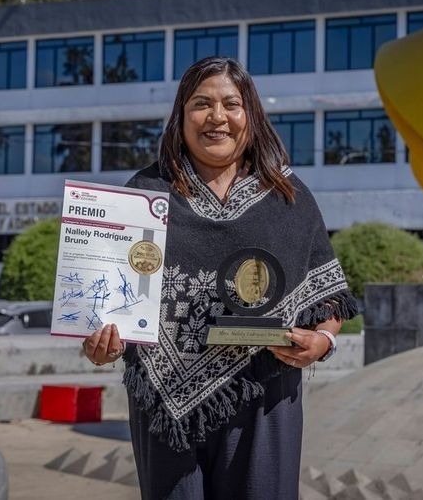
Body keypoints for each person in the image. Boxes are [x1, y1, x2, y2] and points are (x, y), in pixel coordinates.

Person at [82, 56, 359, 500]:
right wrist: (100, 342)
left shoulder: (287, 196)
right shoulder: (144, 195)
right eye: (201, 104)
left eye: (231, 103)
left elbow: (329, 302)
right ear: (181, 115)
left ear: (250, 114)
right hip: (163, 406)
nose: (217, 118)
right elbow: (103, 301)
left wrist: (323, 343)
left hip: (266, 399)